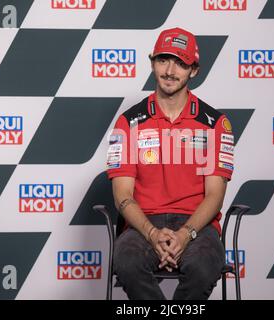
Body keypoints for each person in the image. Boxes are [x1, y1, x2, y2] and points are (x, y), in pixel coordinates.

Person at [106, 27, 235, 300]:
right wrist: (152, 233)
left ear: (194, 70)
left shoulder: (215, 124)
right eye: (163, 60)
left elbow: (215, 196)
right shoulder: (127, 122)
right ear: (152, 62)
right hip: (143, 224)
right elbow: (122, 196)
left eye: (180, 62)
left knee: (203, 266)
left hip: (198, 226)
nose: (169, 70)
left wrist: (185, 235)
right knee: (128, 262)